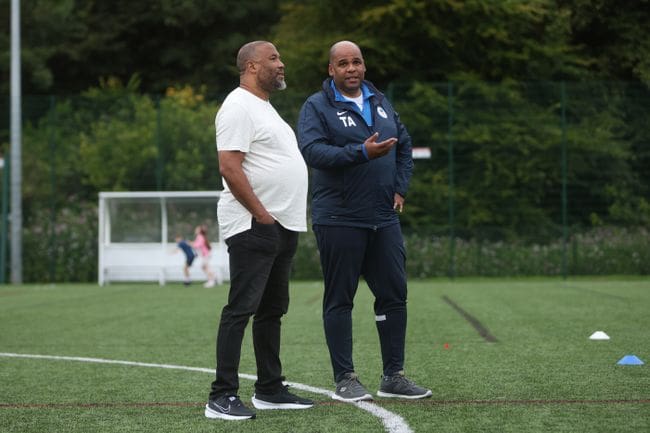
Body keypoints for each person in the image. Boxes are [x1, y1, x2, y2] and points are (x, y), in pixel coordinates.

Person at [297, 40, 432, 402]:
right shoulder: (317, 106)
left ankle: (394, 377)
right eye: (343, 63)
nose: (351, 69)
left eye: (356, 62)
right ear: (331, 70)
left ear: (364, 66)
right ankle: (346, 379)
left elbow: (404, 145)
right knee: (340, 299)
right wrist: (361, 152)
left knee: (394, 295)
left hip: (383, 217)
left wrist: (400, 188)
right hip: (339, 217)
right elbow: (311, 151)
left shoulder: (380, 101)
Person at [204, 40, 313, 421]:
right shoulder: (237, 106)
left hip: (281, 224)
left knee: (271, 310)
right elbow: (229, 166)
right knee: (242, 308)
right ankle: (221, 396)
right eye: (273, 58)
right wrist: (262, 216)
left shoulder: (264, 108)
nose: (281, 64)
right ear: (251, 66)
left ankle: (269, 388)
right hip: (255, 223)